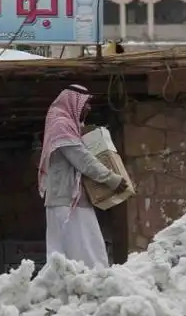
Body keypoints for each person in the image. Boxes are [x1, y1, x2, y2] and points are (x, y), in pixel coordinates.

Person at [37, 84, 128, 268]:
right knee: (81, 255)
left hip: (73, 200)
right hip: (66, 202)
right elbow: (83, 159)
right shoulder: (60, 125)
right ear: (73, 102)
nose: (89, 108)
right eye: (86, 103)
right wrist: (111, 179)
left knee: (85, 252)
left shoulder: (69, 125)